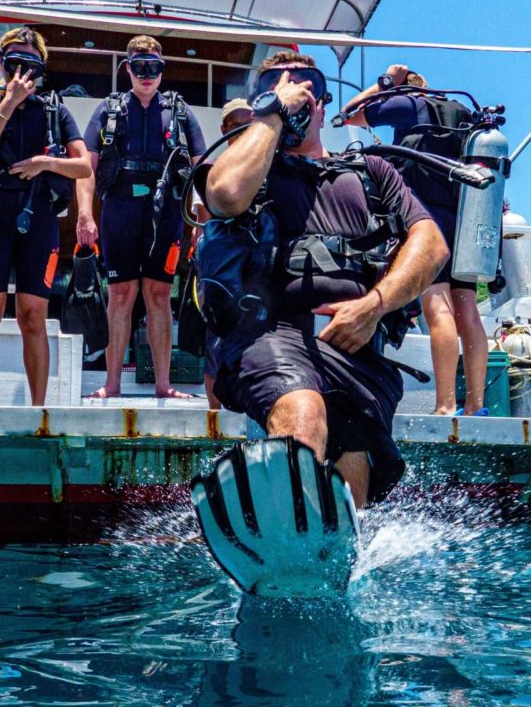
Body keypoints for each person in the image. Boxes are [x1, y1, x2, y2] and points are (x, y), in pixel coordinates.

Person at [201, 50, 448, 509]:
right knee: (303, 410)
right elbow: (225, 195)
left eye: (306, 84)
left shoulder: (371, 171)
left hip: (354, 342)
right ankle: (283, 526)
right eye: (277, 84)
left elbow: (431, 244)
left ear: (323, 103)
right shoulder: (250, 162)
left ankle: (329, 554)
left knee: (351, 454)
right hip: (270, 330)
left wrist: (375, 305)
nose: (294, 91)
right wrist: (273, 113)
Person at [342, 64, 489, 415]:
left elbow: (348, 115)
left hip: (429, 221)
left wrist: (385, 82)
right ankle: (475, 405)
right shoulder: (461, 113)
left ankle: (444, 404)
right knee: (466, 305)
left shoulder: (408, 103)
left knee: (435, 303)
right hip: (466, 217)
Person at [0, 27, 91, 406]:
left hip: (38, 218)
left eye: (29, 64)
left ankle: (38, 409)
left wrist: (43, 163)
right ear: (0, 65)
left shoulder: (55, 111)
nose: (21, 72)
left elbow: (84, 166)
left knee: (33, 313)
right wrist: (8, 103)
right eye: (14, 62)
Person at [78, 35, 207, 399]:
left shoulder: (180, 112)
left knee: (159, 293)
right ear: (128, 69)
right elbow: (87, 168)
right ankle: (112, 383)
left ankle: (164, 385)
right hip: (119, 211)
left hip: (166, 212)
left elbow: (201, 169)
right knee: (120, 294)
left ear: (162, 69)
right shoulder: (109, 108)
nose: (147, 75)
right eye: (139, 68)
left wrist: (199, 221)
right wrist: (85, 214)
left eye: (153, 68)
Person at [191, 98, 252, 409]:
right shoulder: (210, 172)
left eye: (249, 123)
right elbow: (200, 226)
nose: (244, 131)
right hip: (220, 273)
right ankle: (214, 415)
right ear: (224, 130)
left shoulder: (265, 167)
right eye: (237, 125)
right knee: (216, 345)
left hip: (255, 269)